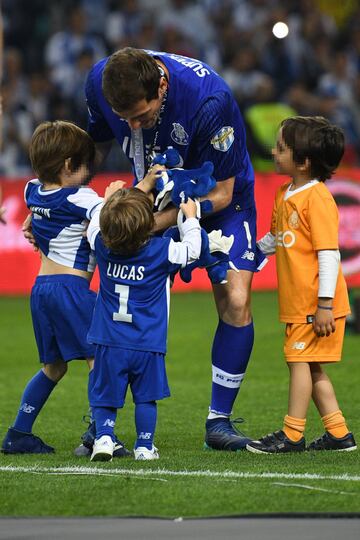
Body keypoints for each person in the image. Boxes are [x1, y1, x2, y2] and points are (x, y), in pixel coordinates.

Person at [85, 47, 266, 451]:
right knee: (120, 297)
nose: (132, 126)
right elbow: (92, 149)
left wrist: (145, 224)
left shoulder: (209, 100)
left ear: (162, 86)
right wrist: (68, 200)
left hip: (220, 204)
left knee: (236, 301)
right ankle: (101, 420)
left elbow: (222, 191)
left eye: (142, 117)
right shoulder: (101, 81)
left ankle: (218, 422)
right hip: (153, 198)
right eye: (124, 119)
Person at [0, 121, 130, 456]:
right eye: (87, 166)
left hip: (41, 289)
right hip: (71, 289)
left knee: (54, 367)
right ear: (70, 165)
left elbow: (40, 212)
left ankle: (18, 433)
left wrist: (34, 223)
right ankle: (103, 435)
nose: (90, 174)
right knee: (98, 358)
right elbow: (108, 223)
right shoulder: (82, 196)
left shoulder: (31, 190)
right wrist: (114, 196)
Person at [247, 116, 357, 454]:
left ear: (304, 162)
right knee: (310, 365)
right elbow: (276, 238)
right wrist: (246, 253)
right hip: (300, 304)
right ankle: (339, 434)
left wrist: (325, 305)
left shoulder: (318, 199)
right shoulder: (285, 193)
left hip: (315, 305)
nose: (273, 152)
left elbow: (328, 256)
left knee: (298, 362)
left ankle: (292, 434)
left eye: (281, 148)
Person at [86, 183, 202, 461]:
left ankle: (103, 437)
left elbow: (93, 226)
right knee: (145, 398)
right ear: (148, 224)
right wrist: (191, 218)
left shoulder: (102, 245)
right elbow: (193, 250)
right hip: (146, 343)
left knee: (104, 396)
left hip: (108, 340)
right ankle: (144, 446)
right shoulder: (162, 250)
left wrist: (108, 198)